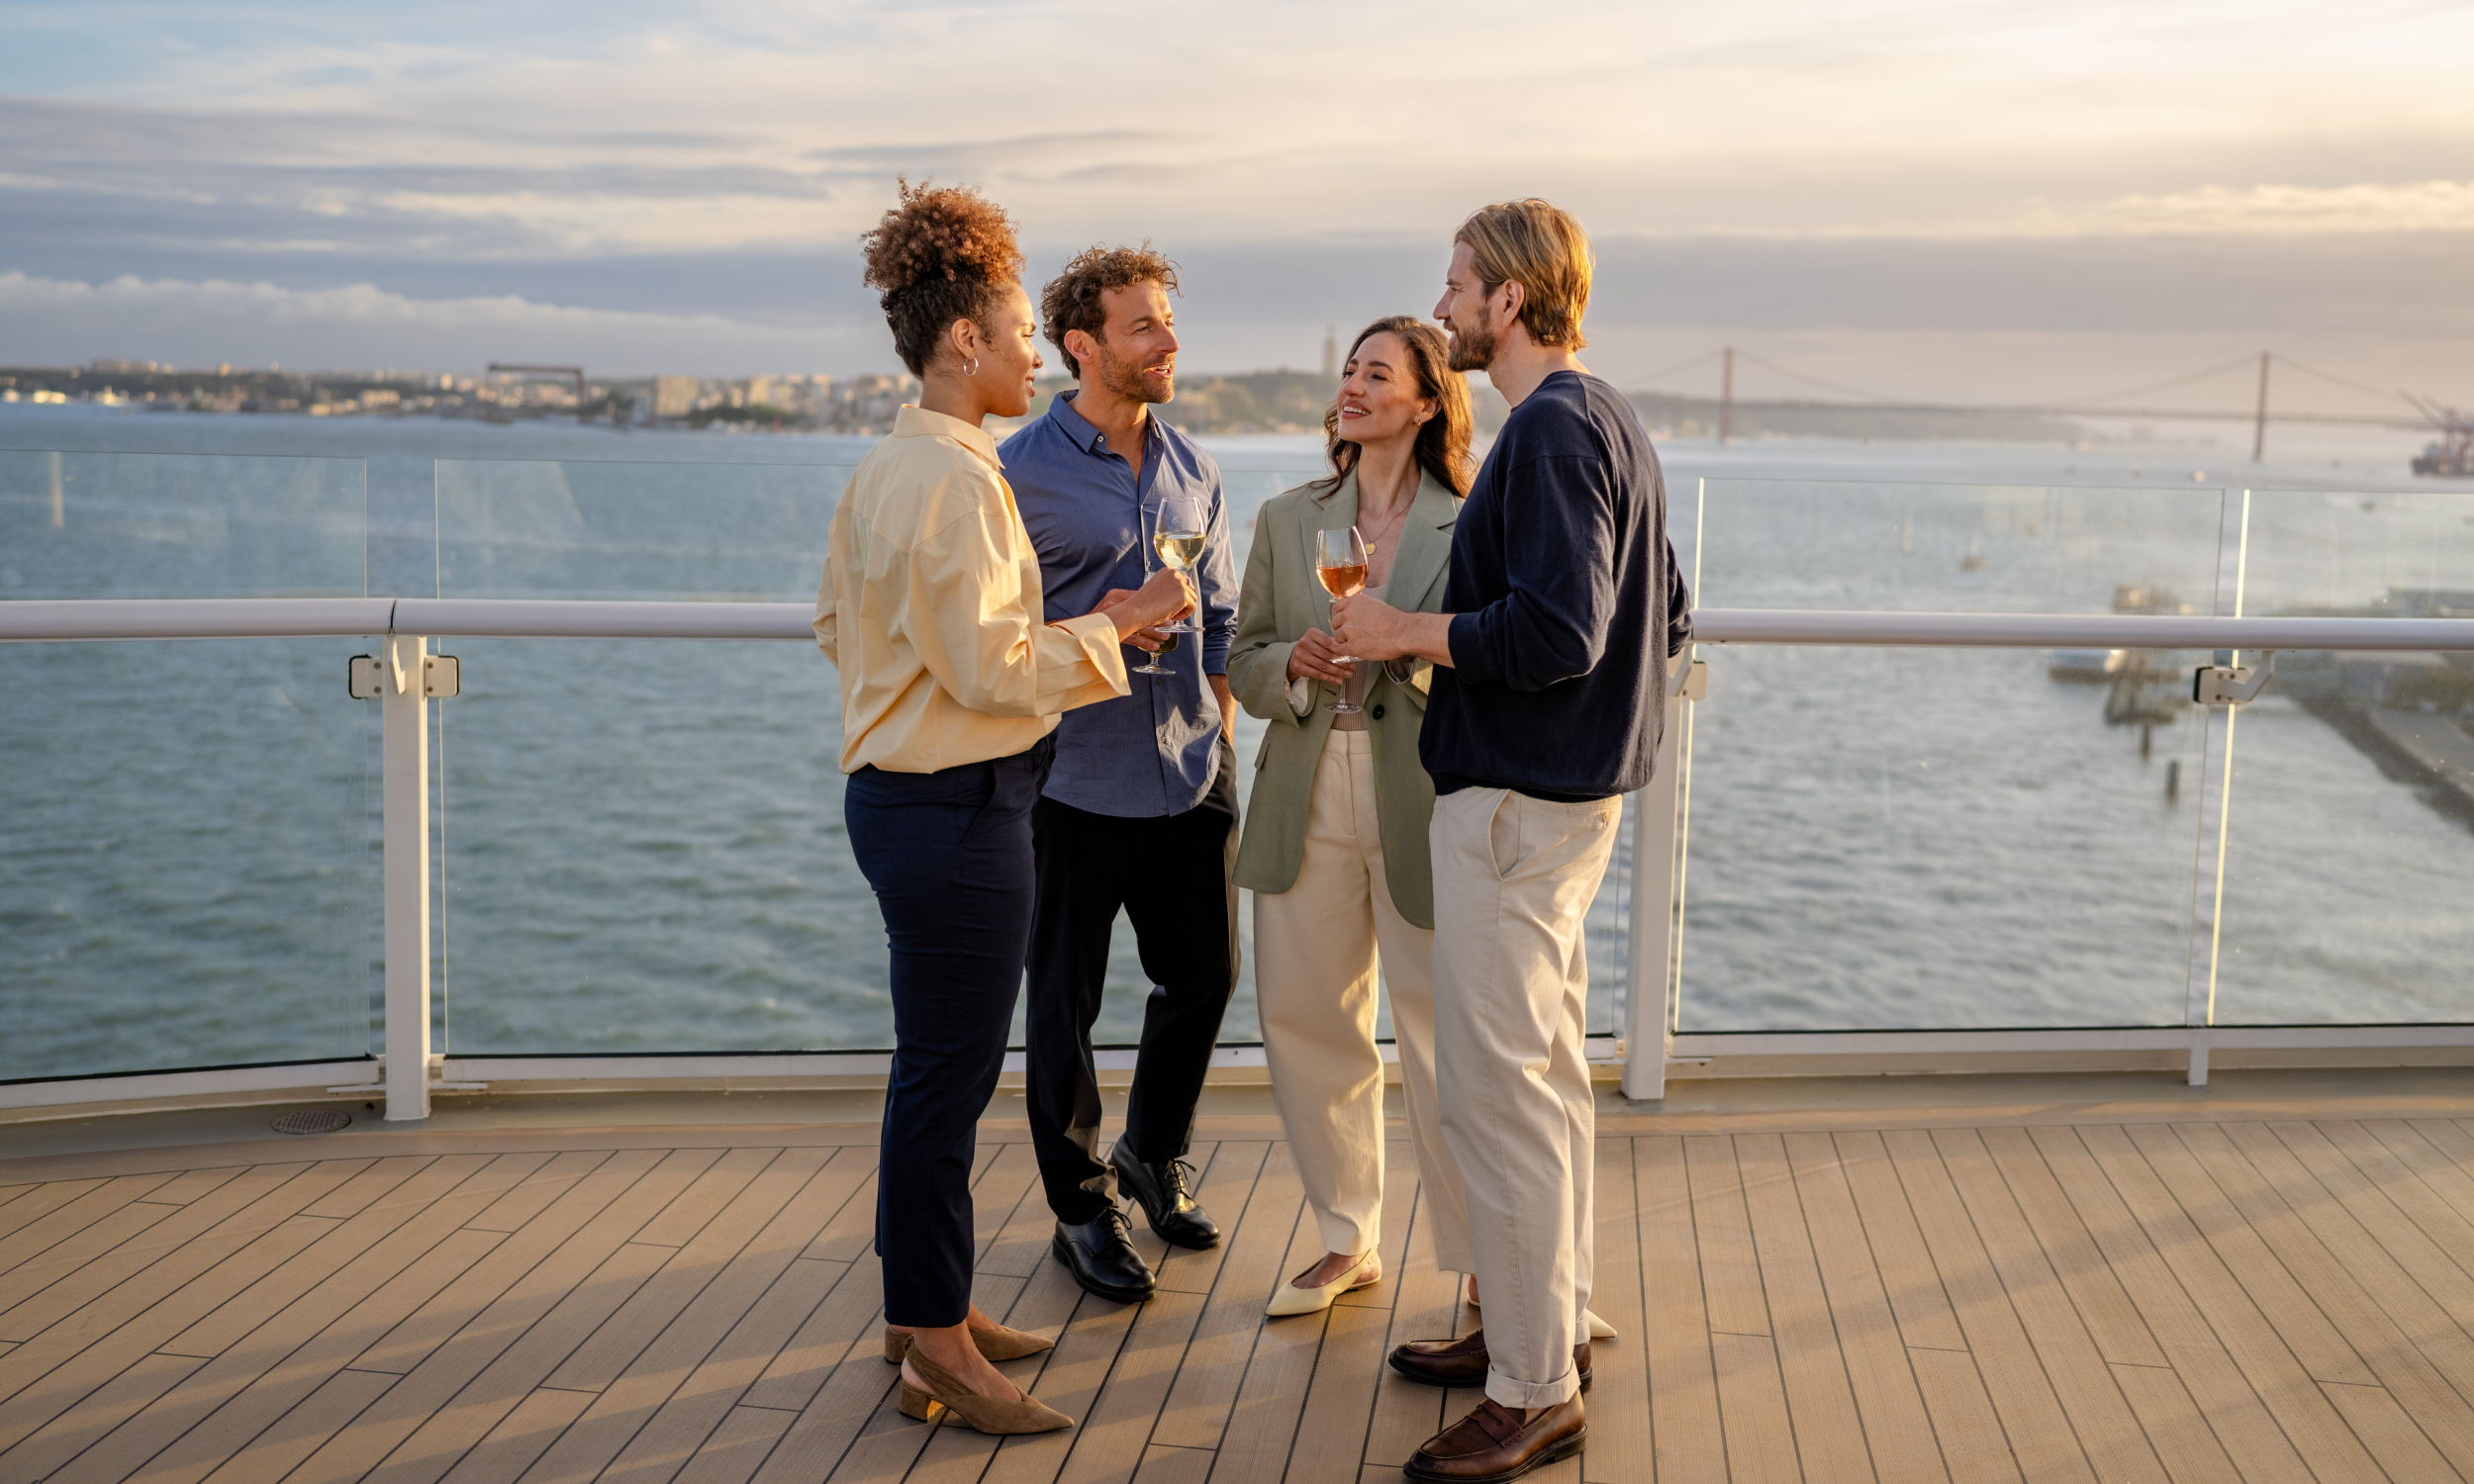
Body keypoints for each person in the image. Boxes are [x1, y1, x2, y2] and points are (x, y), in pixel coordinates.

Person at [815, 182, 1194, 1437]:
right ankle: (937, 1341)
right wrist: (1118, 624)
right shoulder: (962, 482)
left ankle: (925, 1310)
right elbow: (991, 668)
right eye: (1024, 331)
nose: (1035, 351)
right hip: (961, 810)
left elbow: (839, 627)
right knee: (946, 1079)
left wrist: (915, 692)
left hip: (903, 797)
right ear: (964, 340)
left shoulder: (889, 466)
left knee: (931, 1073)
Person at [1333, 200, 1692, 1483]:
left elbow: (1559, 635)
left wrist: (1401, 635)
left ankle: (1532, 1389)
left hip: (1514, 814)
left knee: (1499, 1097)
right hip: (1570, 809)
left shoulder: (1546, 434)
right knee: (1542, 1084)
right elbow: (1670, 615)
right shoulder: (1613, 421)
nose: (1444, 307)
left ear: (1517, 299)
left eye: (1460, 286)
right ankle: (1552, 1327)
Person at [1000, 244, 1244, 1305]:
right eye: (1143, 326)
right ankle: (1079, 1208)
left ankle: (1152, 1152)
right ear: (1083, 347)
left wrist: (1220, 727)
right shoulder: (1016, 470)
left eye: (1168, 322)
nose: (1168, 341)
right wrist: (1102, 627)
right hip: (1068, 779)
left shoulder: (1195, 467)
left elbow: (1223, 619)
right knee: (1061, 1003)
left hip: (1191, 769)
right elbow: (995, 633)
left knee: (1203, 977)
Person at [1226, 317, 1475, 1318]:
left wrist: (1404, 647)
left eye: (1379, 373)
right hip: (1302, 782)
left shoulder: (1473, 516)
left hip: (1420, 790)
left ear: (1426, 400)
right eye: (1348, 371)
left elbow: (1489, 655)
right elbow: (1240, 656)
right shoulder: (1288, 518)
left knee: (1441, 1037)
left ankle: (1476, 1264)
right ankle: (1346, 1237)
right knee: (1306, 1020)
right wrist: (1289, 664)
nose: (1353, 386)